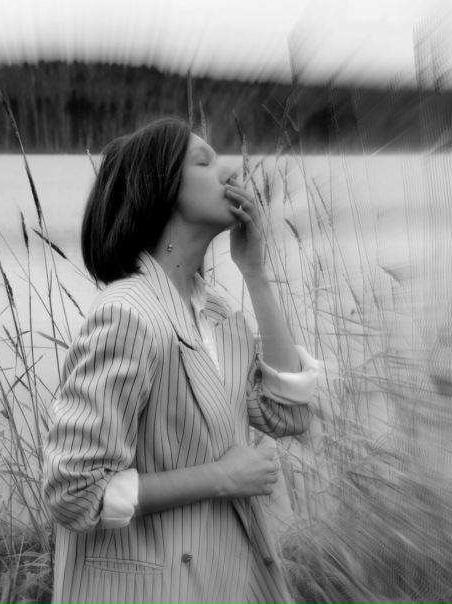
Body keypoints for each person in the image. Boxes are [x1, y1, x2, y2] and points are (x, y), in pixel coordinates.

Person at [43, 117, 319, 604]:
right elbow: (74, 492)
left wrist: (255, 273)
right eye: (204, 162)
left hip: (222, 580)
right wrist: (222, 478)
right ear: (162, 189)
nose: (229, 171)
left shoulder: (216, 314)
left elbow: (287, 414)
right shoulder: (127, 314)